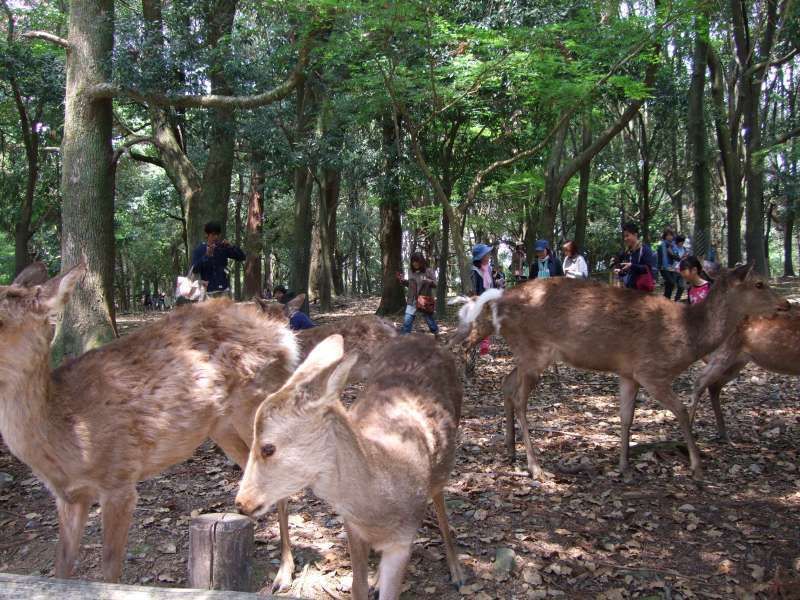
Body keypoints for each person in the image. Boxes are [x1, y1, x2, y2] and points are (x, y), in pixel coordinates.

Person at [191, 221, 246, 298]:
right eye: (213, 234)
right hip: (208, 293)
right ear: (206, 235)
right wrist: (206, 256)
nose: (216, 237)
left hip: (224, 291)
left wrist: (231, 246)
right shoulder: (199, 250)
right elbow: (195, 269)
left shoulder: (223, 247)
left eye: (218, 234)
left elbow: (242, 257)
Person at [398, 252, 439, 337]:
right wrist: (403, 281)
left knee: (429, 319)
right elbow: (410, 284)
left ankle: (436, 332)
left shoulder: (429, 271)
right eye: (413, 261)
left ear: (422, 261)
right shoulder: (410, 272)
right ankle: (404, 337)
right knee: (408, 318)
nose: (415, 263)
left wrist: (429, 281)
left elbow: (435, 284)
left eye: (417, 261)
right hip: (412, 299)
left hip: (424, 300)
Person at [618, 222, 657, 291]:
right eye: (624, 236)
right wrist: (621, 272)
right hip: (630, 291)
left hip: (642, 292)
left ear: (635, 235)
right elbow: (628, 272)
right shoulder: (627, 252)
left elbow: (647, 269)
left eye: (627, 236)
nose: (625, 238)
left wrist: (632, 266)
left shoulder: (645, 249)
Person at [658, 228, 680, 300]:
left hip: (672, 267)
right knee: (671, 283)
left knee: (669, 285)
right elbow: (672, 255)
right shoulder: (662, 245)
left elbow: (676, 257)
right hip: (664, 267)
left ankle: (666, 300)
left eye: (671, 235)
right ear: (665, 236)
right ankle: (666, 300)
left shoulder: (673, 245)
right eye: (668, 235)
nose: (670, 237)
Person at [672, 234, 687, 302]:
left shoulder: (684, 248)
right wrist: (683, 257)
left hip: (682, 269)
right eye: (681, 242)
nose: (682, 243)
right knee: (672, 285)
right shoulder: (673, 248)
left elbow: (684, 258)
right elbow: (676, 258)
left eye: (683, 242)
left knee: (682, 286)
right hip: (674, 269)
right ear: (678, 242)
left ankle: (676, 300)